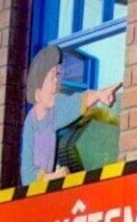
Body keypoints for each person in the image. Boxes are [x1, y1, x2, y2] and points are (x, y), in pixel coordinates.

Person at [16, 44, 116, 182]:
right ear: (38, 93)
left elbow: (73, 104)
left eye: (58, 74)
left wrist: (98, 95)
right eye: (52, 77)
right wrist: (51, 177)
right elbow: (27, 173)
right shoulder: (31, 123)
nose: (57, 82)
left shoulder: (54, 113)